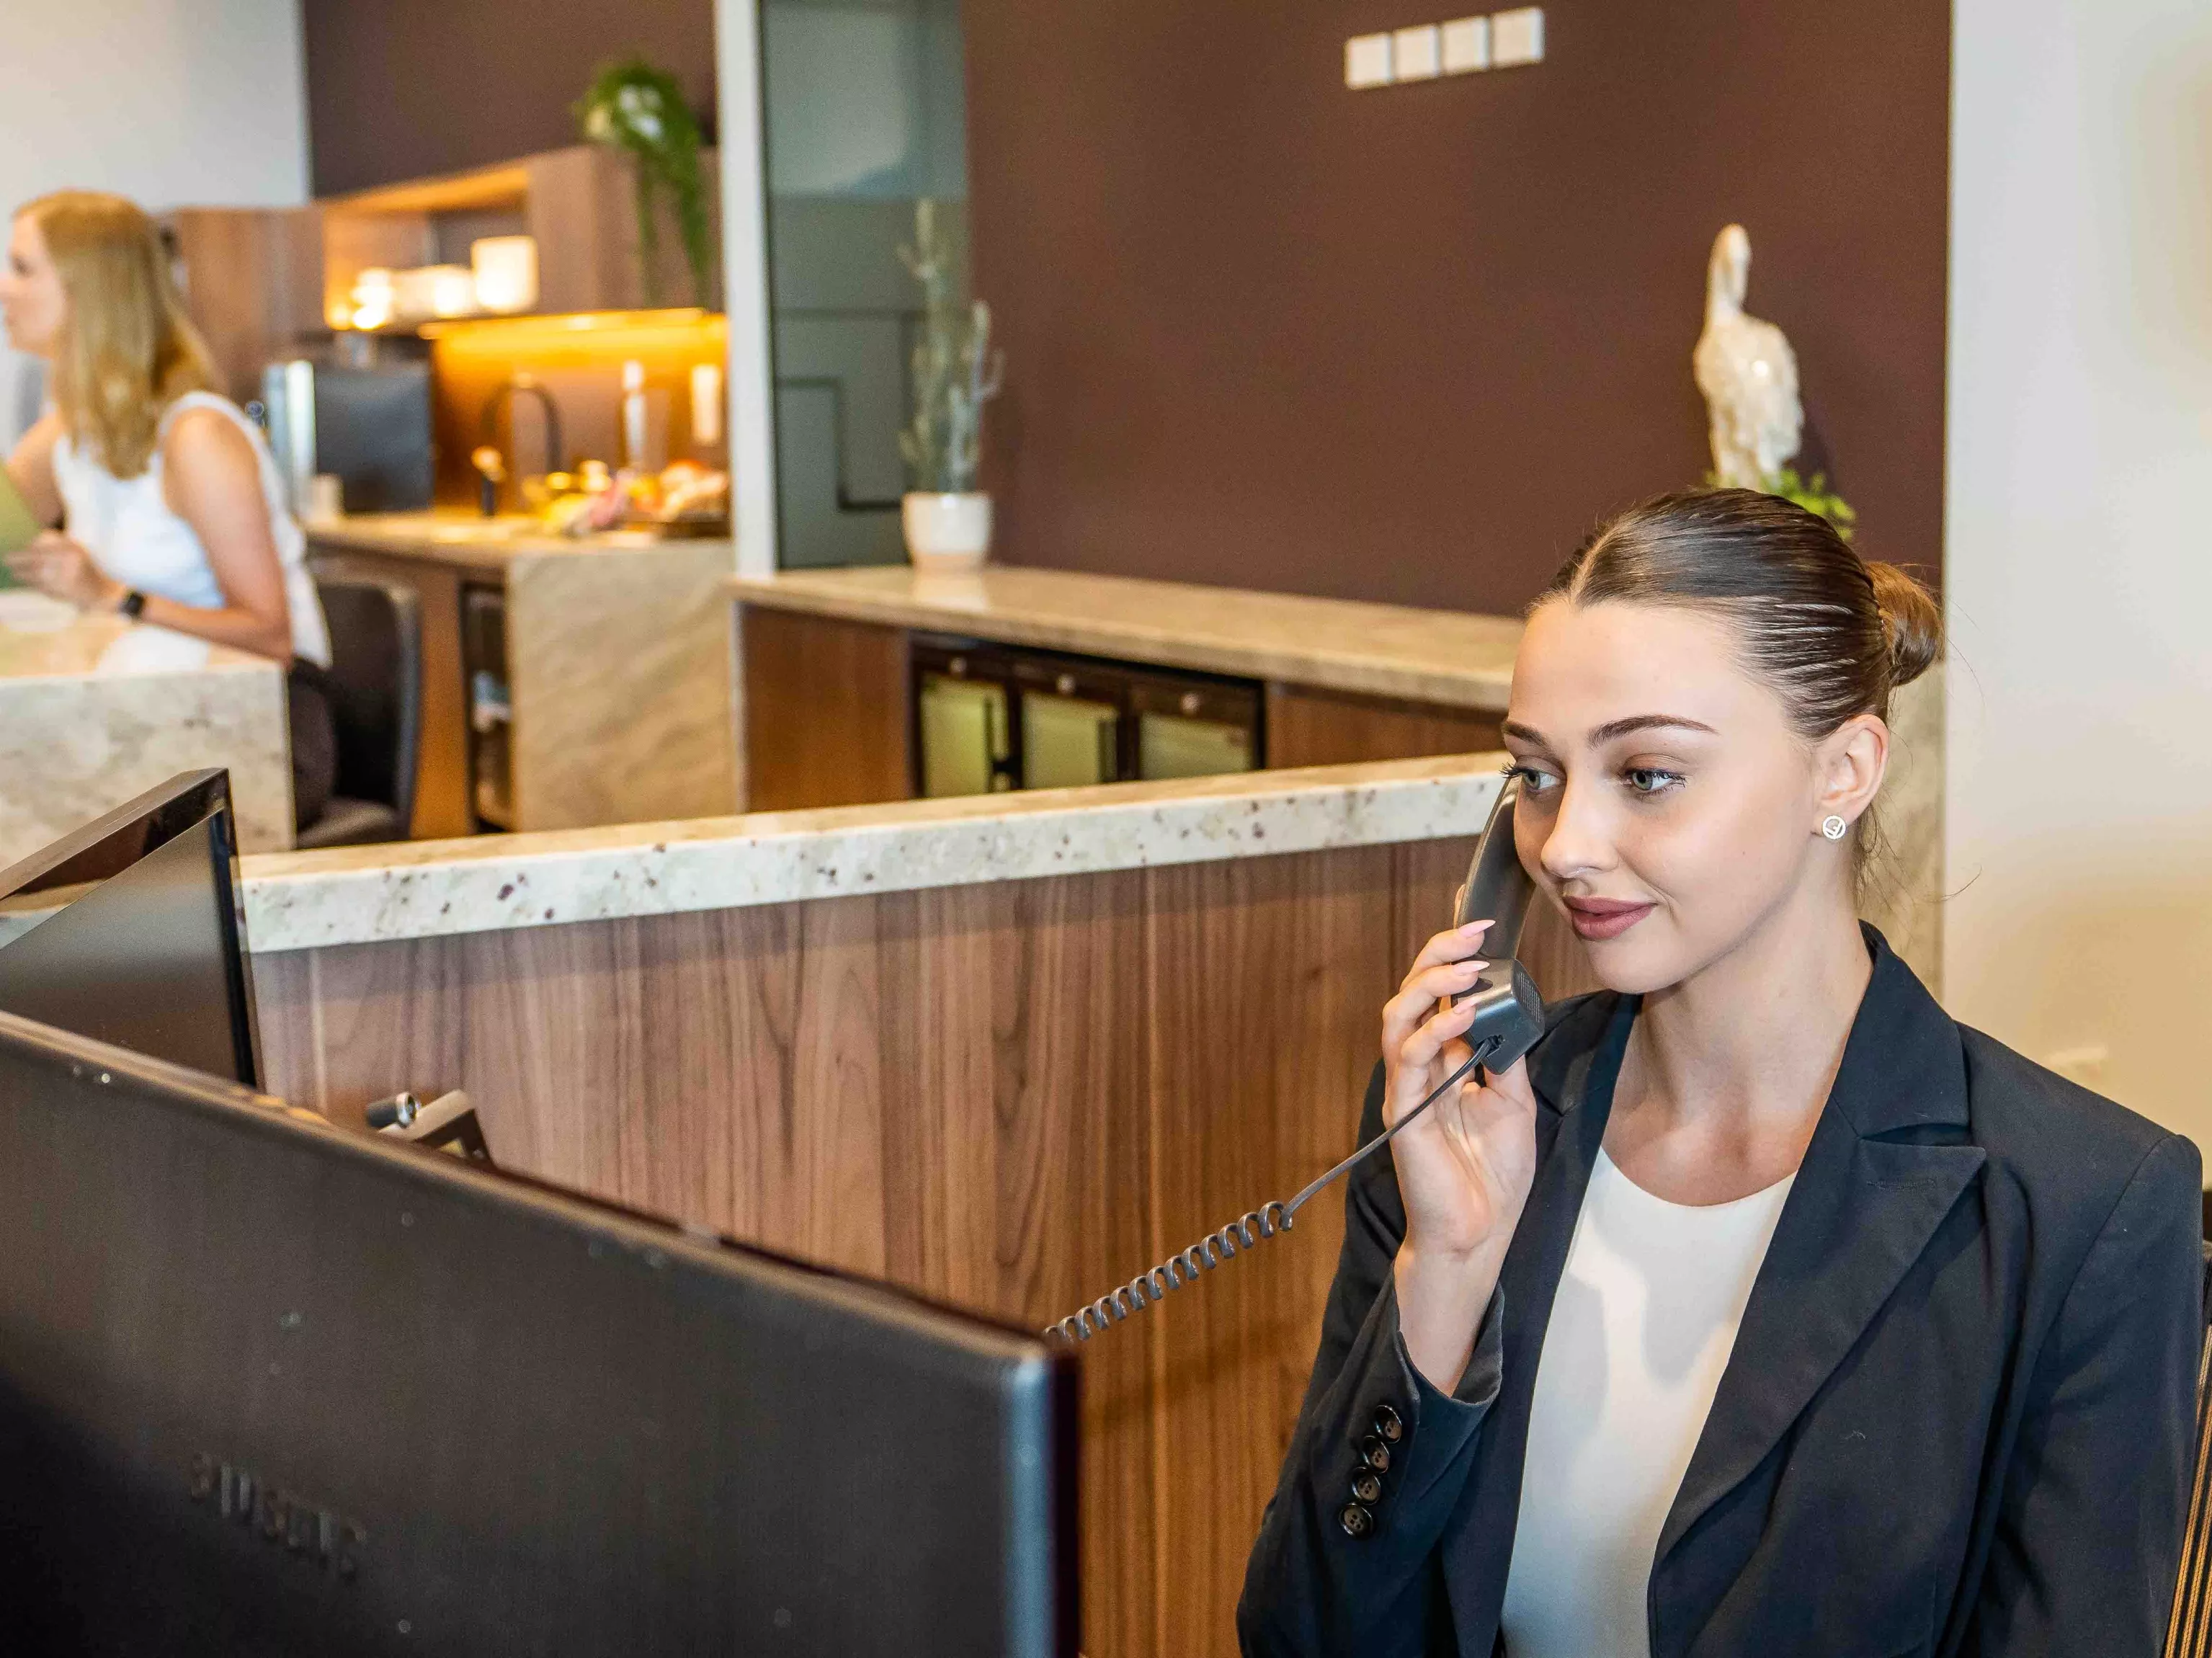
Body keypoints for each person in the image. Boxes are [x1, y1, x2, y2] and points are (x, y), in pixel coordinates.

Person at [1239, 490, 2200, 1657]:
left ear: (1843, 772)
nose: (1568, 846)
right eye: (1536, 777)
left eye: (1645, 774)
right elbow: (1305, 1638)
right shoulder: (1472, 1123)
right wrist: (1444, 1271)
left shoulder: (2087, 1210)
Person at [0, 190, 335, 830]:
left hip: (261, 725)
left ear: (89, 287)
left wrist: (113, 595)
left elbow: (272, 636)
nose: (2, 288)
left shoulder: (197, 436)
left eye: (22, 268)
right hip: (150, 710)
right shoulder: (72, 432)